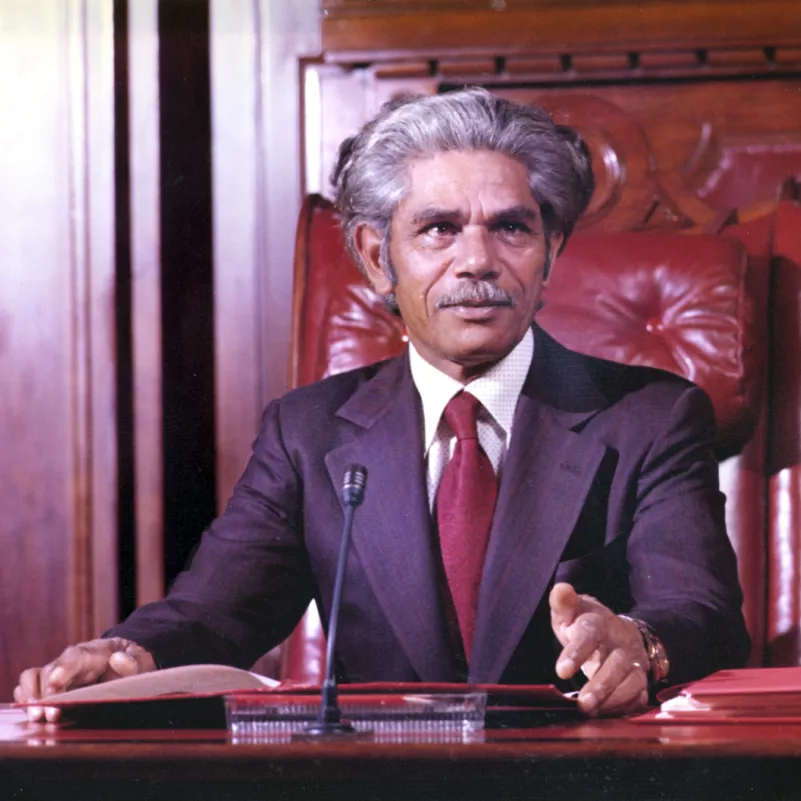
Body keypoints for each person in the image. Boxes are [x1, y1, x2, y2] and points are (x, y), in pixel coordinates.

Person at [15, 88, 750, 720]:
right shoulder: (307, 433)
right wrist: (129, 652)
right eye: (438, 229)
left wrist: (637, 643)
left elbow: (700, 613)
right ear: (376, 257)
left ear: (551, 249)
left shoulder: (651, 416)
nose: (476, 260)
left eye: (511, 228)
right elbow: (212, 614)